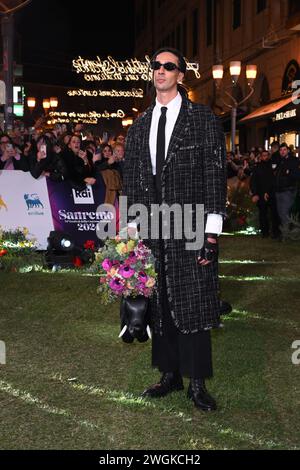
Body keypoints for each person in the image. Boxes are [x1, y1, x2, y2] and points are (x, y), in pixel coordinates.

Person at [123, 47, 227, 412]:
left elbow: (215, 177)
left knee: (194, 302)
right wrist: (132, 230)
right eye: (156, 66)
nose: (161, 71)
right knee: (160, 300)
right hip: (152, 224)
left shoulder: (203, 119)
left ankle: (196, 384)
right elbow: (133, 179)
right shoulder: (140, 124)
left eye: (169, 66)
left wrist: (211, 233)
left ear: (181, 75)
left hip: (192, 223)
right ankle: (169, 375)